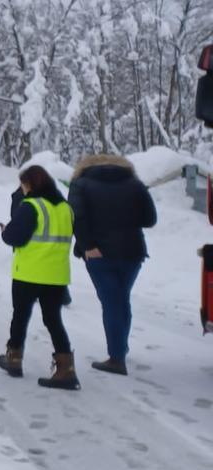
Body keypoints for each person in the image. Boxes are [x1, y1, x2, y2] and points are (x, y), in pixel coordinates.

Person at [68, 155, 158, 375]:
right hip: (132, 252)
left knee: (111, 302)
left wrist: (87, 245)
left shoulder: (80, 184)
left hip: (98, 253)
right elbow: (150, 219)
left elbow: (75, 217)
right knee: (120, 299)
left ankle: (116, 358)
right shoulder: (135, 184)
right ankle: (120, 348)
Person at [0, 164, 80, 389]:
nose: (22, 189)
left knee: (20, 317)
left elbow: (15, 237)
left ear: (31, 184)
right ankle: (66, 368)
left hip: (29, 273)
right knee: (53, 320)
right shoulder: (66, 208)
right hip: (56, 275)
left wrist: (5, 232)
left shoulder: (31, 206)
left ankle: (14, 358)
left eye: (23, 184)